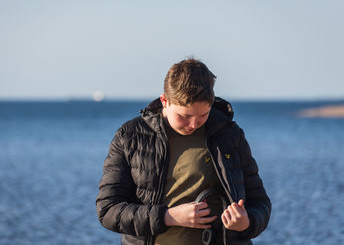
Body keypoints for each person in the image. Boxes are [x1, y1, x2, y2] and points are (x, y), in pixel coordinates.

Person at [96, 58, 271, 245]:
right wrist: (168, 216)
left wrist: (246, 223)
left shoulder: (229, 135)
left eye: (203, 115)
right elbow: (108, 210)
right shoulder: (130, 136)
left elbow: (260, 203)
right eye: (184, 116)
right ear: (165, 101)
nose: (193, 124)